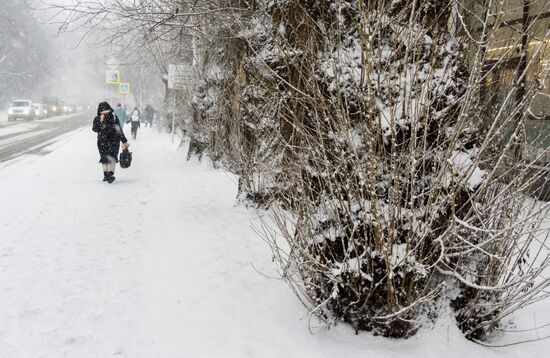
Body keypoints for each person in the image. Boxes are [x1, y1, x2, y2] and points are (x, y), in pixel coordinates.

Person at [92, 102, 129, 183]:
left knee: (112, 157)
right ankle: (106, 175)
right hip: (102, 141)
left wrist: (124, 140)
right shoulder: (97, 118)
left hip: (114, 141)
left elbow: (119, 130)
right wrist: (100, 121)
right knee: (104, 158)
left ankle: (110, 174)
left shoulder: (114, 117)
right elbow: (94, 129)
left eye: (106, 111)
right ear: (100, 111)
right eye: (103, 111)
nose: (105, 112)